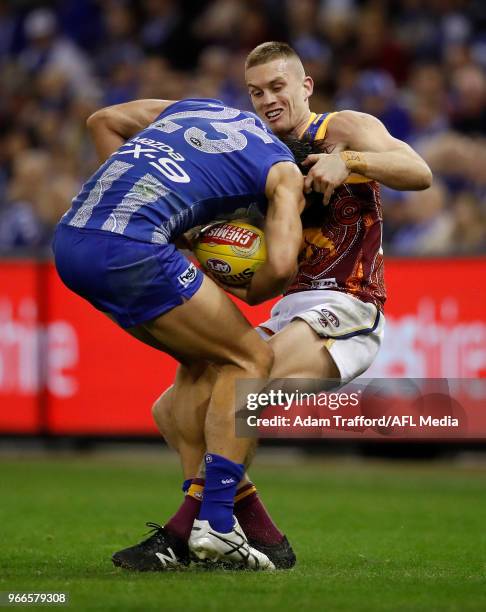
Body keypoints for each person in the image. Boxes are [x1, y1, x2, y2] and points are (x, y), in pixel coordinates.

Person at [113, 42, 432, 571]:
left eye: (278, 87)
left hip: (348, 307)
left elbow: (417, 171)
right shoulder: (254, 151)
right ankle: (262, 537)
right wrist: (205, 243)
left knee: (238, 389)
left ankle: (190, 529)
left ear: (305, 86)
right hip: (288, 311)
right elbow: (258, 281)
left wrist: (347, 160)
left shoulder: (343, 127)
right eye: (256, 92)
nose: (267, 100)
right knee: (173, 410)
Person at [53, 96, 306, 570]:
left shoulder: (194, 108)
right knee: (250, 360)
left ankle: (193, 527)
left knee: (205, 362)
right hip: (130, 249)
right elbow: (279, 271)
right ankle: (217, 523)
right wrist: (237, 275)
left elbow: (102, 120)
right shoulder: (284, 169)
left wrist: (174, 226)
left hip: (71, 243)